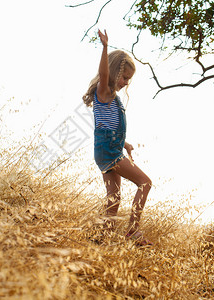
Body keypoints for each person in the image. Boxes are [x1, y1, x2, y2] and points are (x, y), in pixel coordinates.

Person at [82, 29, 153, 246]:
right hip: (109, 152)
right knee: (145, 183)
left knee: (114, 199)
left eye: (128, 80)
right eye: (124, 77)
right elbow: (104, 74)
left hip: (107, 150)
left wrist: (125, 143)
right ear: (114, 72)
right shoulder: (104, 91)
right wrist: (104, 47)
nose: (125, 82)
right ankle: (132, 231)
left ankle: (102, 240)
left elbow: (108, 126)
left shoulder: (113, 99)